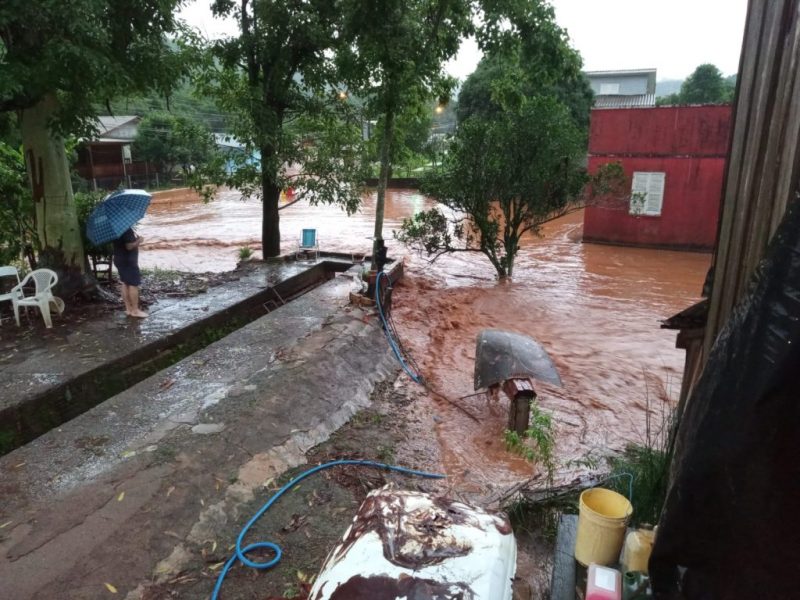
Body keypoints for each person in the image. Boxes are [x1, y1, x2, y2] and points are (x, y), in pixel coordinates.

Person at [113, 228, 147, 318]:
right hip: (128, 261)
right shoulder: (126, 229)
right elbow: (129, 246)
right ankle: (135, 311)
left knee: (125, 283)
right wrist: (139, 241)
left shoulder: (116, 230)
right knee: (133, 284)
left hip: (119, 259)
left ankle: (128, 309)